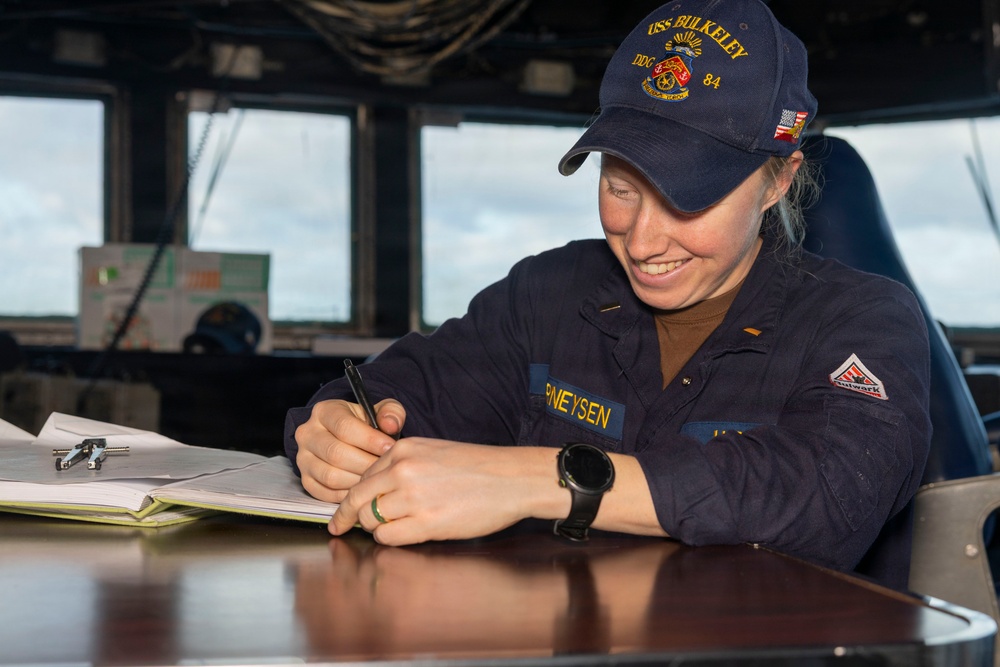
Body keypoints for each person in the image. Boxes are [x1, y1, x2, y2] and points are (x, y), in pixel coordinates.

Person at [285, 0, 931, 590]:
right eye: (621, 187)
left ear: (776, 181)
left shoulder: (867, 323)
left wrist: (539, 481)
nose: (643, 240)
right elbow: (396, 391)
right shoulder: (548, 296)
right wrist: (333, 432)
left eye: (688, 197)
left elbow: (828, 489)